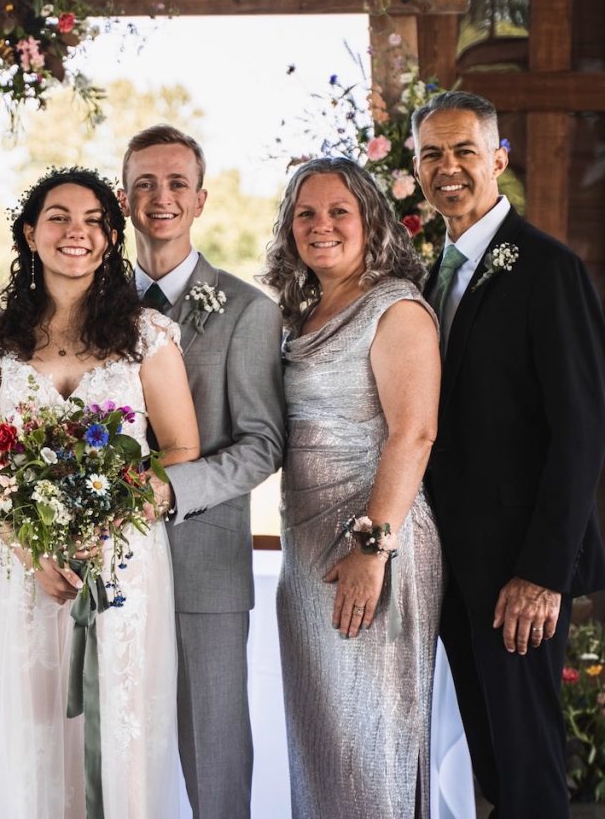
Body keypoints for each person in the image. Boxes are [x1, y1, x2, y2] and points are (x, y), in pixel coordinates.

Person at [0, 167, 199, 818]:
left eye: (93, 221)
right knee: (20, 725)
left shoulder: (147, 337)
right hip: (13, 565)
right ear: (30, 234)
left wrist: (111, 521)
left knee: (113, 722)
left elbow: (179, 449)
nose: (75, 232)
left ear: (111, 239)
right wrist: (31, 550)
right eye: (58, 217)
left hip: (119, 563)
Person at [413, 90, 605, 817]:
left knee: (528, 769)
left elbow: (581, 430)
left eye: (464, 150)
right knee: (492, 765)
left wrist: (542, 573)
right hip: (451, 568)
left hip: (517, 575)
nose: (448, 167)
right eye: (432, 154)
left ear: (498, 159)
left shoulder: (548, 269)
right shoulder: (430, 276)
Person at [262, 156, 444, 818]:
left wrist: (372, 549)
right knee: (323, 740)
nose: (322, 225)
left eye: (339, 211)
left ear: (370, 220)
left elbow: (414, 433)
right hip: (307, 548)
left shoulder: (395, 308)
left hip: (374, 542)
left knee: (372, 738)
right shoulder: (301, 313)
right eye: (305, 213)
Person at [118, 125, 284, 819]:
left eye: (177, 183)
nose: (161, 197)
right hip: (100, 564)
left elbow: (263, 444)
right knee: (109, 748)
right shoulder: (87, 301)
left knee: (214, 760)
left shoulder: (249, 310)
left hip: (205, 567)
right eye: (145, 183)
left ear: (200, 199)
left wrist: (172, 489)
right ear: (123, 199)